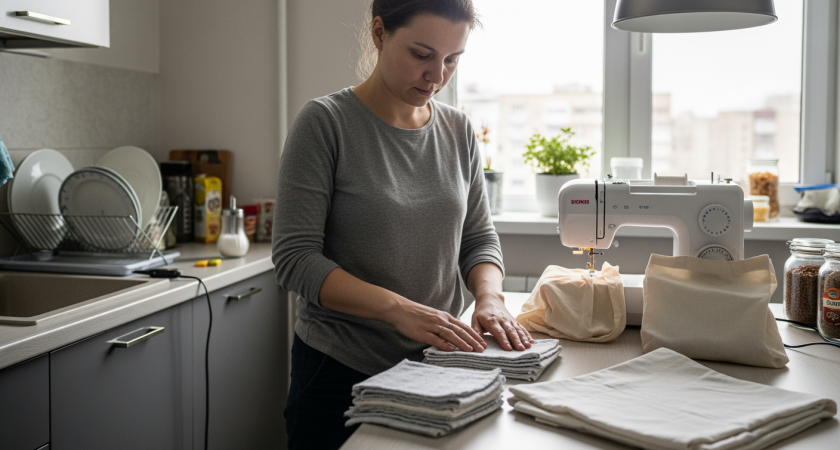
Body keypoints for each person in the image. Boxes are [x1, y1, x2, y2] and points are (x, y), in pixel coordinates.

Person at [272, 0, 534, 448]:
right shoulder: (326, 124)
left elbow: (478, 237)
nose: (438, 75)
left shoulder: (458, 130)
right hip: (340, 371)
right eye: (422, 55)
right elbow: (295, 259)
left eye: (452, 59)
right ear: (379, 34)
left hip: (438, 367)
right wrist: (398, 310)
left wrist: (489, 298)